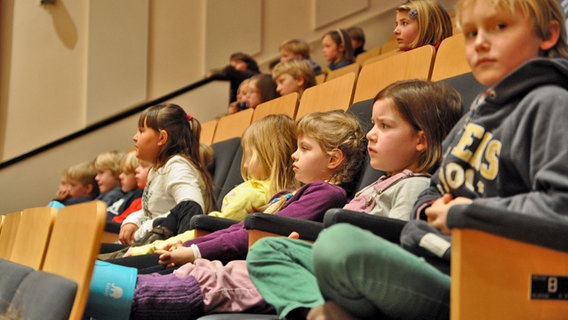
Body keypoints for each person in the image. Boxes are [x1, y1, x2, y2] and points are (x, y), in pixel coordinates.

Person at [291, 0, 568, 319]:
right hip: (438, 257)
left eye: (499, 27)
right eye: (472, 32)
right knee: (276, 252)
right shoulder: (475, 115)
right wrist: (431, 208)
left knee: (338, 244)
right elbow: (434, 188)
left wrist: (467, 213)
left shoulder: (551, 103)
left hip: (493, 282)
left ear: (547, 34)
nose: (479, 42)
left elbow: (560, 206)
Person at [88, 110, 366, 319]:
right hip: (220, 256)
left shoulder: (327, 194)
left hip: (242, 263)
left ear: (333, 159)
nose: (293, 155)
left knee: (147, 284)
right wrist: (191, 247)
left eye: (304, 149)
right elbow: (238, 228)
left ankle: (100, 289)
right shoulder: (290, 195)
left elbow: (253, 231)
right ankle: (94, 285)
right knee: (140, 275)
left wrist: (194, 250)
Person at [246, 79, 463, 320]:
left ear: (420, 140)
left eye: (385, 126)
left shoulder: (415, 184)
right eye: (373, 124)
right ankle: (317, 312)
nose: (370, 134)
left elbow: (401, 250)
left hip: (377, 275)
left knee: (339, 240)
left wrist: (332, 246)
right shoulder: (376, 185)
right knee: (266, 250)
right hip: (346, 266)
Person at [122, 114, 298, 257]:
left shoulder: (253, 195)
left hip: (190, 249)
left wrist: (146, 249)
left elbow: (206, 228)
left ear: (269, 157)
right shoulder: (270, 194)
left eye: (250, 155)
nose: (244, 165)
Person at [117, 103, 216, 245]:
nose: (134, 137)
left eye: (141, 131)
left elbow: (191, 208)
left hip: (167, 250)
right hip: (150, 244)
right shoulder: (158, 169)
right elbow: (149, 212)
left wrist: (145, 228)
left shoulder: (177, 166)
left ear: (162, 138)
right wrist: (132, 222)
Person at [106, 150, 145, 221]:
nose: (120, 176)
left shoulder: (139, 197)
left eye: (126, 173)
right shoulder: (125, 195)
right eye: (121, 172)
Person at [112, 160, 152, 224]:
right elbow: (118, 220)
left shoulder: (143, 201)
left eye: (126, 173)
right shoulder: (136, 202)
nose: (136, 170)